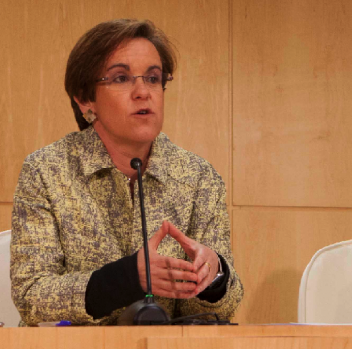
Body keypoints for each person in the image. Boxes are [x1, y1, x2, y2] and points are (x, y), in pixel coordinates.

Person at [10, 19, 243, 326]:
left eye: (153, 78)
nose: (142, 92)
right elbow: (31, 295)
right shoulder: (47, 171)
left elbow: (219, 310)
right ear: (85, 98)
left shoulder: (198, 177)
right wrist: (127, 278)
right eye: (121, 78)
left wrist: (213, 277)